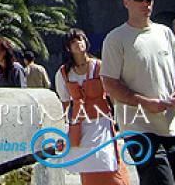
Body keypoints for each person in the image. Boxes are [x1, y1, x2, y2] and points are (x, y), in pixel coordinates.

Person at [101, 0, 175, 185]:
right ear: (126, 2)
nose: (146, 4)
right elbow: (110, 84)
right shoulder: (115, 39)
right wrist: (145, 103)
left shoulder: (165, 33)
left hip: (173, 125)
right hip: (139, 128)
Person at [55, 28, 129, 184]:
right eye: (73, 42)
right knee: (87, 165)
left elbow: (113, 95)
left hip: (101, 122)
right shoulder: (63, 73)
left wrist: (122, 120)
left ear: (86, 42)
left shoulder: (100, 66)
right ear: (68, 48)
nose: (78, 44)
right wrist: (63, 131)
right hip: (78, 127)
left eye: (80, 39)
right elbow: (64, 103)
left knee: (107, 161)